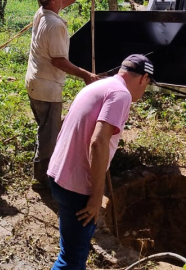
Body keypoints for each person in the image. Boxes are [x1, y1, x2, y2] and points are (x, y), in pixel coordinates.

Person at [47, 54, 154, 270]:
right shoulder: (121, 95)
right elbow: (98, 142)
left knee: (70, 251)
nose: (145, 90)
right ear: (144, 78)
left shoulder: (99, 85)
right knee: (71, 261)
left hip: (58, 175)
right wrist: (97, 196)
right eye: (148, 84)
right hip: (77, 187)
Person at [26, 0, 98, 190]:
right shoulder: (55, 26)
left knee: (45, 128)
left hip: (35, 83)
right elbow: (58, 61)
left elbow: (63, 2)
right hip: (46, 88)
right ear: (52, 0)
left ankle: (44, 171)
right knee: (49, 134)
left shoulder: (41, 12)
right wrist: (85, 74)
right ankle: (43, 178)